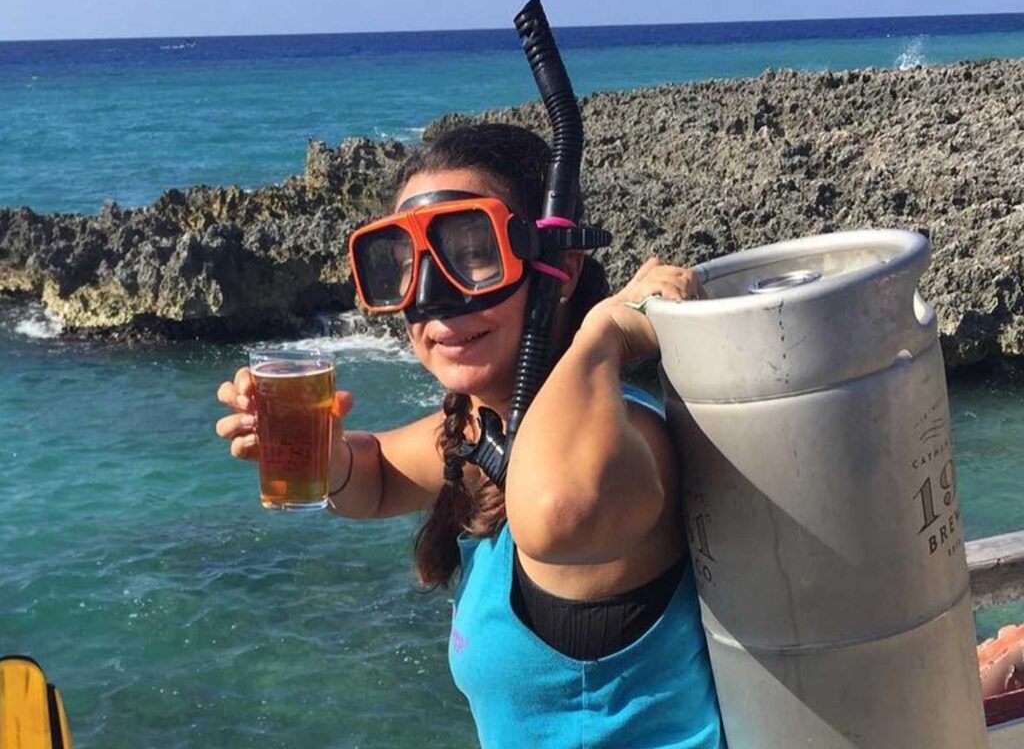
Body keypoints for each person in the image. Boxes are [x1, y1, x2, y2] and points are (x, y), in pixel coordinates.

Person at [216, 123, 724, 748]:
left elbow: (557, 510)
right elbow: (373, 480)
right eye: (402, 266)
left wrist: (603, 337)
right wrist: (330, 455)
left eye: (473, 251)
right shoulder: (484, 432)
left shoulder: (622, 435)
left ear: (560, 265)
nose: (434, 300)